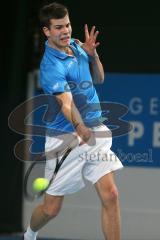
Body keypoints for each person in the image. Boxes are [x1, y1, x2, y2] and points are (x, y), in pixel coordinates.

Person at [24, 2, 123, 240]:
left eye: (67, 24)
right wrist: (79, 126)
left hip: (95, 130)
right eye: (58, 27)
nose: (66, 31)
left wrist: (93, 55)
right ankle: (29, 234)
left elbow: (99, 78)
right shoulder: (50, 66)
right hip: (65, 140)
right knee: (51, 209)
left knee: (110, 195)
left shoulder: (78, 47)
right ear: (47, 31)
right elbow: (66, 103)